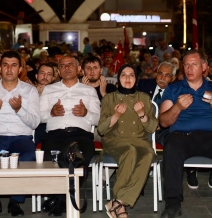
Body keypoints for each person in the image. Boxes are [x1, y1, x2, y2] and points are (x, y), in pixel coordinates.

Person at [158, 50, 212, 218]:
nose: (189, 68)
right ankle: (173, 203)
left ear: (204, 67)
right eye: (186, 65)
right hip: (182, 136)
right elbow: (163, 122)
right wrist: (177, 107)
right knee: (171, 146)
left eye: (194, 64)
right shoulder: (174, 88)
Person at [0, 51, 40, 216]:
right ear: (0, 68)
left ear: (19, 69)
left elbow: (34, 123)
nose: (9, 69)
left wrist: (19, 109)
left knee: (27, 157)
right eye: (5, 65)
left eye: (13, 65)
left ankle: (15, 200)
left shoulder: (30, 91)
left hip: (21, 138)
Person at [39, 56, 100, 216]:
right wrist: (51, 113)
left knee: (81, 159)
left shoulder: (89, 91)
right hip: (54, 135)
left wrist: (86, 113)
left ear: (78, 69)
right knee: (49, 160)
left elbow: (98, 118)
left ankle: (58, 199)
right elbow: (39, 116)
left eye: (70, 65)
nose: (66, 68)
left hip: (80, 135)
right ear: (58, 71)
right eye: (63, 66)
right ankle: (62, 198)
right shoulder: (49, 90)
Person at [98, 64, 158, 217]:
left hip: (139, 140)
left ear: (136, 78)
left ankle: (118, 202)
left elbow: (152, 127)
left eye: (131, 75)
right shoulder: (109, 98)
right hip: (115, 140)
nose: (127, 78)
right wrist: (116, 115)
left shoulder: (143, 98)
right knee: (129, 151)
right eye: (123, 75)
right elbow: (101, 129)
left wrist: (142, 114)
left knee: (148, 154)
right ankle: (119, 204)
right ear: (118, 79)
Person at [34, 63, 56, 146]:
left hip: (51, 125)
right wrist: (36, 96)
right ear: (36, 76)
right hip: (34, 126)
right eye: (42, 73)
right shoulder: (28, 91)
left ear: (53, 78)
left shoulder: (58, 92)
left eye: (49, 74)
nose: (45, 76)